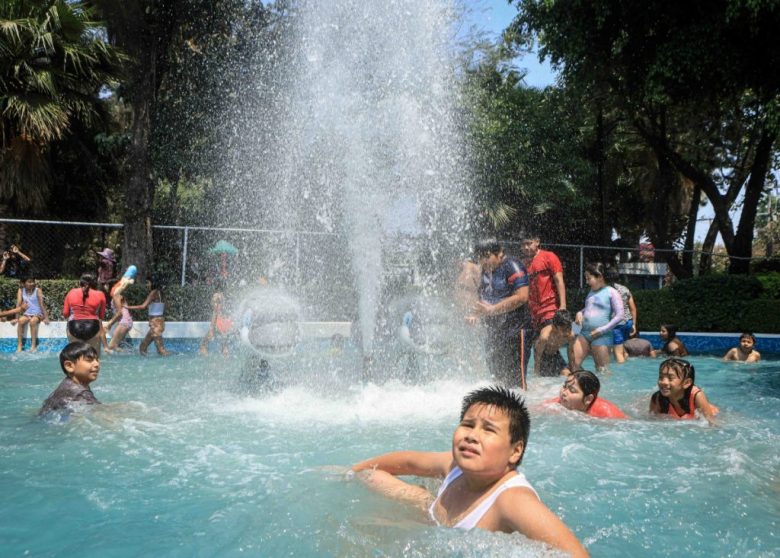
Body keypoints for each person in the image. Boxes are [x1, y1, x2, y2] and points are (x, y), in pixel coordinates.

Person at [351, 386, 588, 557]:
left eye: (488, 430)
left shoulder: (513, 501)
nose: (472, 435)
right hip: (433, 516)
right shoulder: (455, 467)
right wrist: (353, 469)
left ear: (515, 451)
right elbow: (410, 462)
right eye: (467, 424)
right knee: (369, 475)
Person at [465, 240, 531, 389]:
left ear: (499, 253)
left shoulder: (513, 266)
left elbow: (522, 296)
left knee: (516, 383)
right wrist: (475, 314)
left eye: (486, 257)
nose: (483, 262)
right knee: (497, 378)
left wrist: (492, 309)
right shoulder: (486, 270)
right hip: (494, 331)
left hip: (515, 330)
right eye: (480, 258)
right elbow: (484, 298)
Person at [521, 232, 566, 370]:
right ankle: (560, 369)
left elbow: (559, 280)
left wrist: (563, 305)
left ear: (537, 241)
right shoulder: (523, 264)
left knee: (545, 339)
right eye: (523, 245)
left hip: (550, 308)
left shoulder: (549, 257)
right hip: (533, 312)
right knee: (543, 345)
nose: (526, 247)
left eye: (529, 243)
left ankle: (537, 369)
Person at [571, 263, 624, 371]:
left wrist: (601, 330)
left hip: (602, 335)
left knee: (602, 370)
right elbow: (588, 309)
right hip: (583, 333)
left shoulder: (612, 292)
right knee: (573, 365)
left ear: (599, 277)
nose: (587, 282)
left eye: (589, 278)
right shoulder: (591, 292)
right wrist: (579, 313)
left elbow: (620, 315)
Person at [39, 341, 101, 416]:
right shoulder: (80, 394)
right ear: (69, 366)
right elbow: (100, 413)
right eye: (89, 360)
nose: (97, 364)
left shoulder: (68, 383)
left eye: (97, 360)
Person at [649, 358, 718, 424]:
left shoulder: (697, 396)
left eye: (670, 378)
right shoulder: (657, 398)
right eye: (661, 377)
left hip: (713, 413)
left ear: (686, 383)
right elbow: (652, 421)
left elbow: (711, 423)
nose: (663, 382)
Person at [546, 370, 626, 419]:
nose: (564, 393)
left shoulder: (608, 413)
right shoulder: (559, 402)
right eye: (564, 387)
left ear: (588, 399)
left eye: (572, 390)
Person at [63, 273, 108, 354]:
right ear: (94, 283)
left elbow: (65, 313)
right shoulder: (100, 294)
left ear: (80, 282)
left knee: (75, 357)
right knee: (94, 358)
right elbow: (101, 316)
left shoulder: (71, 292)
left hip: (74, 326)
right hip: (93, 327)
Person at [127, 277, 170, 356]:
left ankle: (174, 362)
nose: (147, 285)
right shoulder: (161, 293)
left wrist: (128, 307)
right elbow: (167, 306)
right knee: (142, 347)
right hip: (159, 322)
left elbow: (143, 306)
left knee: (161, 351)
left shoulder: (153, 292)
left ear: (152, 283)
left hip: (155, 323)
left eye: (148, 282)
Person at [606, 268, 637, 364]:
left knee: (617, 353)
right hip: (628, 322)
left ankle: (622, 375)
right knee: (621, 347)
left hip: (617, 324)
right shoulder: (625, 289)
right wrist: (634, 325)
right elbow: (633, 308)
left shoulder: (606, 290)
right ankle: (626, 362)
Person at [534, 309, 575, 377]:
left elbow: (571, 352)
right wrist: (536, 374)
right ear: (555, 326)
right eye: (564, 329)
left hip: (555, 354)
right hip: (542, 356)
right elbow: (538, 355)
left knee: (567, 374)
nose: (567, 332)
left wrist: (573, 371)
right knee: (546, 377)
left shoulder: (570, 335)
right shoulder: (545, 336)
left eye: (569, 327)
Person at [14, 277, 50, 352]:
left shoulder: (38, 290)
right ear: (24, 283)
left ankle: (33, 345)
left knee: (33, 321)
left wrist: (46, 317)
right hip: (27, 314)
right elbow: (18, 304)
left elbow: (41, 304)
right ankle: (19, 345)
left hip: (38, 314)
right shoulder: (21, 290)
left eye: (32, 282)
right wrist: (16, 318)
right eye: (29, 282)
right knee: (20, 321)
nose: (32, 283)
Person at [200, 291, 233, 356]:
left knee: (221, 334)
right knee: (221, 335)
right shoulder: (219, 306)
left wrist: (211, 330)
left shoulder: (219, 305)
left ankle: (224, 349)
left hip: (221, 322)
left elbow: (215, 317)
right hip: (220, 321)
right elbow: (215, 316)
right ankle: (224, 350)